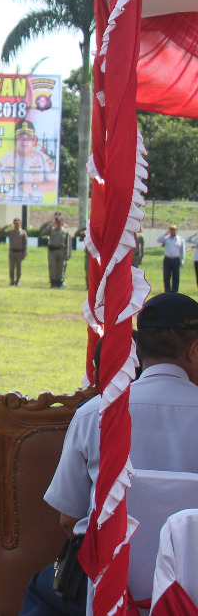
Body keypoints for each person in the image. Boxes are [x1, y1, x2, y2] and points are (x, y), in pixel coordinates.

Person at [22, 292, 198, 616]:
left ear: (138, 346)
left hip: (104, 591)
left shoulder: (95, 414)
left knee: (41, 589)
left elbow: (69, 518)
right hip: (191, 593)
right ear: (195, 350)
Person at [0, 119, 58, 201]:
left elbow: (54, 184)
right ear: (15, 140)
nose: (24, 142)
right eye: (20, 137)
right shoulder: (5, 159)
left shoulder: (43, 159)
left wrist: (33, 186)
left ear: (34, 140)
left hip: (34, 205)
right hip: (10, 204)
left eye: (28, 138)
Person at [39, 214, 72, 289]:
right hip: (52, 251)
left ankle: (60, 282)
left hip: (61, 251)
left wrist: (67, 254)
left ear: (62, 222)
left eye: (59, 221)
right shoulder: (51, 229)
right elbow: (42, 233)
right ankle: (53, 281)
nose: (58, 223)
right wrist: (50, 225)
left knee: (61, 267)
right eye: (57, 221)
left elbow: (68, 244)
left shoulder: (65, 231)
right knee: (52, 266)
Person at [160, 225, 186, 294]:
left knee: (176, 277)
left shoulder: (180, 239)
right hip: (167, 259)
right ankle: (167, 292)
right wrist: (165, 233)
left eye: (174, 230)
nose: (173, 231)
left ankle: (175, 292)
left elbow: (182, 251)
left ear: (177, 231)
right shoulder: (166, 238)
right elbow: (158, 240)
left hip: (176, 260)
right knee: (166, 276)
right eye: (171, 230)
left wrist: (182, 260)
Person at [6, 218, 28, 286]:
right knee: (11, 267)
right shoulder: (10, 232)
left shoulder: (23, 232)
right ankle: (12, 281)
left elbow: (25, 243)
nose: (16, 225)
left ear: (20, 224)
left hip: (19, 252)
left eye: (17, 224)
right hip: (12, 251)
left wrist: (24, 252)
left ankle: (17, 280)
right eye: (15, 224)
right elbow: (0, 232)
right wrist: (7, 225)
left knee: (19, 267)